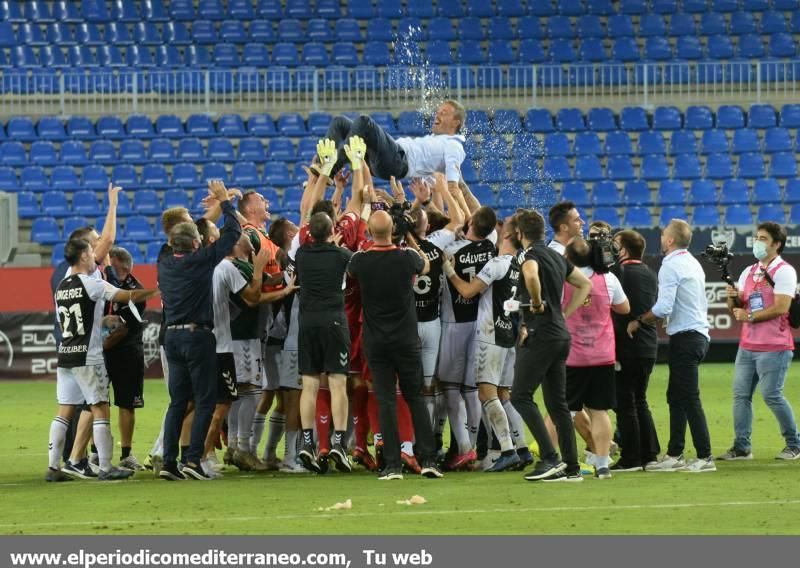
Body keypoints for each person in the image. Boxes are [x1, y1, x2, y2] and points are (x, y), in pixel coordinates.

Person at [47, 238, 158, 482]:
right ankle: (106, 467)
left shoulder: (62, 285)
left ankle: (53, 467)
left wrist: (102, 322)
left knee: (64, 410)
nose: (94, 255)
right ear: (84, 257)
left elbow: (73, 320)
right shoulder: (92, 284)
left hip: (66, 354)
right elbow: (126, 295)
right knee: (100, 408)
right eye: (90, 251)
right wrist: (157, 291)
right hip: (88, 355)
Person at [348, 210, 443, 480]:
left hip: (376, 341)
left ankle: (391, 465)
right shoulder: (406, 257)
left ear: (369, 233)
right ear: (393, 231)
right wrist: (409, 238)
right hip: (405, 339)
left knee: (385, 400)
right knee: (415, 397)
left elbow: (352, 269)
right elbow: (425, 265)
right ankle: (428, 460)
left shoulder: (361, 261)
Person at [157, 180, 241, 481]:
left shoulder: (164, 261)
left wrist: (218, 205)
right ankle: (193, 460)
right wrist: (225, 201)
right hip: (198, 336)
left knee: (177, 402)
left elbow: (185, 236)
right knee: (205, 400)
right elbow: (233, 232)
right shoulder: (202, 261)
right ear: (196, 244)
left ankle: (168, 463)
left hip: (172, 338)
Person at [510, 209, 592, 483]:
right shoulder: (557, 256)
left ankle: (549, 457)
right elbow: (585, 284)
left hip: (540, 333)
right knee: (558, 405)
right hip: (559, 334)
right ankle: (571, 467)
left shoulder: (527, 255)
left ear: (520, 234)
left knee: (520, 395)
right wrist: (565, 313)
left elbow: (531, 276)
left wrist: (535, 302)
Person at [443, 218, 532, 472]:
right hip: (509, 335)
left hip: (490, 334)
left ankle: (507, 450)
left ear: (506, 236)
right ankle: (522, 448)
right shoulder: (518, 265)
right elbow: (513, 303)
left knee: (486, 394)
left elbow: (468, 292)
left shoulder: (496, 264)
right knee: (504, 395)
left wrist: (449, 271)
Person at [627, 219, 715, 473]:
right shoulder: (692, 262)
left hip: (687, 336)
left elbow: (664, 307)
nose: (661, 236)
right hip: (694, 335)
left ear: (670, 240)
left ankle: (705, 456)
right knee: (676, 395)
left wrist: (639, 320)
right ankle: (675, 453)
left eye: (664, 233)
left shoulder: (671, 265)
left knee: (687, 396)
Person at [720, 222, 800, 461]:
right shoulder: (749, 271)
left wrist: (750, 316)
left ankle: (794, 443)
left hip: (774, 345)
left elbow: (782, 307)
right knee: (740, 395)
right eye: (757, 237)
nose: (757, 242)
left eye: (763, 238)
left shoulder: (784, 271)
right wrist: (732, 298)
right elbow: (738, 308)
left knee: (771, 394)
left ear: (776, 244)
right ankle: (742, 446)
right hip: (747, 345)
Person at [563, 238, 630, 479]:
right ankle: (602, 465)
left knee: (562, 411)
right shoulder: (609, 279)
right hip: (602, 354)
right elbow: (624, 308)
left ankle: (557, 461)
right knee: (600, 410)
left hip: (573, 355)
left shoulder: (564, 280)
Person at [438, 206, 498, 469]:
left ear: (471, 222)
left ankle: (463, 447)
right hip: (482, 324)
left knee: (450, 387)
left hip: (454, 323)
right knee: (472, 389)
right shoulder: (492, 247)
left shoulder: (450, 251)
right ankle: (474, 447)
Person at [295, 212, 354, 474]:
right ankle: (338, 443)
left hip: (307, 323)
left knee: (309, 384)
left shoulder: (301, 255)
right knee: (337, 383)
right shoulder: (342, 255)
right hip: (334, 322)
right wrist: (336, 246)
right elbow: (353, 267)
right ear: (332, 231)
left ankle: (308, 443)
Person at [611, 230, 661, 472]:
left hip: (627, 345)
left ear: (623, 249)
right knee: (639, 400)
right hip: (647, 344)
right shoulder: (648, 273)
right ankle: (649, 452)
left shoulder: (620, 274)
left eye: (614, 245)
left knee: (625, 403)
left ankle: (631, 456)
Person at [324, 101, 466, 185]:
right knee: (340, 122)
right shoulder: (436, 140)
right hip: (386, 160)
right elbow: (431, 176)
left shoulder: (454, 145)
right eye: (438, 111)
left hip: (397, 162)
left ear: (455, 123)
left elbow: (453, 183)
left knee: (364, 122)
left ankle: (329, 170)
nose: (437, 114)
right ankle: (320, 168)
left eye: (444, 113)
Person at [101, 247, 147, 472]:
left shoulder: (134, 291)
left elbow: (121, 330)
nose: (106, 266)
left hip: (127, 353)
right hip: (105, 352)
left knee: (126, 403)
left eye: (110, 262)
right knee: (97, 402)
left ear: (120, 264)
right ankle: (95, 453)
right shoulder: (101, 283)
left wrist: (99, 348)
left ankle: (126, 454)